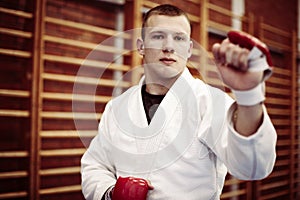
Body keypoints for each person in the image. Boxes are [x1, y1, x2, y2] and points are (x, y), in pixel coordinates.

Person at [81, 4, 277, 200]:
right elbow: (95, 164)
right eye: (158, 36)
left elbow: (252, 167)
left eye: (179, 38)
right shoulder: (118, 107)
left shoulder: (209, 102)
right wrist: (110, 192)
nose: (169, 46)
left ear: (189, 49)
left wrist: (249, 96)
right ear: (141, 46)